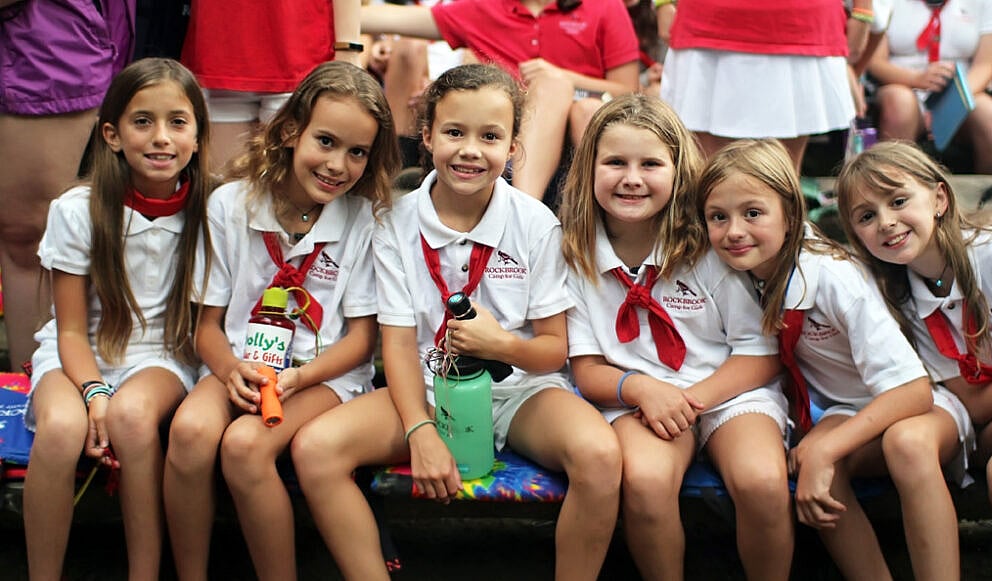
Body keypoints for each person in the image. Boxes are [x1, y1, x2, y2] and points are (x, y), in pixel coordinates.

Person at [291, 63, 621, 581]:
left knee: (600, 455)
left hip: (519, 393)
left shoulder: (536, 224)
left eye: (490, 136)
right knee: (315, 449)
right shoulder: (393, 223)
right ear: (425, 137)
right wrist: (420, 428)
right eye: (453, 132)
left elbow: (554, 350)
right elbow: (397, 347)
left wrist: (502, 345)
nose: (471, 150)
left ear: (513, 146)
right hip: (425, 387)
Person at [162, 61, 399, 581]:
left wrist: (295, 378)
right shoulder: (230, 205)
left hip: (323, 376)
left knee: (245, 447)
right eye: (327, 141)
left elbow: (361, 342)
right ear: (291, 131)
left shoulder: (364, 220)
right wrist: (230, 372)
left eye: (357, 152)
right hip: (239, 366)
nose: (338, 164)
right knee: (190, 432)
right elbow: (207, 328)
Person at [704, 138, 968, 580]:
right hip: (850, 410)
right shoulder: (749, 272)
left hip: (919, 404)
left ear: (790, 213)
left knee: (900, 445)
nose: (734, 230)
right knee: (811, 461)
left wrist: (828, 447)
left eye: (752, 213)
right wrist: (820, 451)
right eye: (718, 217)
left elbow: (911, 390)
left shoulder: (832, 277)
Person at [559, 96, 790, 580]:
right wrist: (643, 389)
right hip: (637, 398)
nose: (632, 178)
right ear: (588, 167)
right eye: (615, 162)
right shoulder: (576, 255)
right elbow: (586, 368)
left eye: (650, 163)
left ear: (678, 167)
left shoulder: (710, 244)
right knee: (644, 480)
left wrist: (688, 400)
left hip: (724, 392)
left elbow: (762, 353)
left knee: (762, 481)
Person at [836, 140, 992, 580]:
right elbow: (973, 406)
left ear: (940, 199)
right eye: (867, 216)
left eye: (898, 201)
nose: (886, 222)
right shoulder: (899, 299)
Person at [21, 57, 211, 581]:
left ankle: (144, 572)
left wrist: (109, 402)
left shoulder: (212, 209)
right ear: (112, 134)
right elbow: (70, 330)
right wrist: (92, 392)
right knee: (60, 429)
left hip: (161, 355)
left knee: (130, 417)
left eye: (177, 121)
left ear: (198, 134)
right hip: (80, 353)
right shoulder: (78, 209)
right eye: (142, 121)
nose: (160, 138)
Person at [357, 0, 640, 202]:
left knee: (554, 87)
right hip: (497, 134)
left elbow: (629, 91)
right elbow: (380, 18)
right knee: (418, 58)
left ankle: (524, 207)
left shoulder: (604, 6)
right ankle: (393, 176)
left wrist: (562, 77)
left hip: (577, 139)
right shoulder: (484, 7)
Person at [0, 0, 135, 374]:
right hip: (41, 48)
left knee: (40, 238)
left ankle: (35, 391)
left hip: (60, 47)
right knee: (30, 240)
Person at [659, 0, 855, 171]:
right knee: (708, 178)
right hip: (708, 19)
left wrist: (864, 10)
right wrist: (661, 3)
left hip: (800, 21)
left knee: (782, 181)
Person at [181, 0, 365, 173]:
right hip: (220, 49)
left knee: (297, 197)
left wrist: (348, 48)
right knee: (223, 193)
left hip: (300, 52)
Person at [867, 0, 992, 174]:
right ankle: (895, 188)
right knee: (900, 105)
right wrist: (916, 79)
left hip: (964, 88)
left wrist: (950, 105)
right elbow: (874, 62)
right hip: (901, 83)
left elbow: (986, 66)